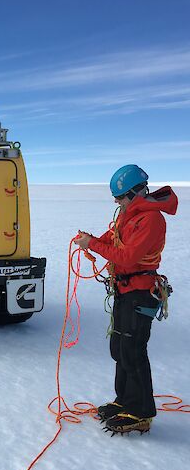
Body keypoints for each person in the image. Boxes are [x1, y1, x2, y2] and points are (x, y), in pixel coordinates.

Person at [74, 165, 177, 434]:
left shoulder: (151, 220)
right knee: (119, 349)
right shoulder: (128, 216)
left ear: (135, 192)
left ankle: (141, 412)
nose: (117, 202)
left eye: (120, 197)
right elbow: (113, 240)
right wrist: (91, 239)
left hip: (140, 292)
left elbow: (128, 257)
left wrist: (94, 246)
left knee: (133, 351)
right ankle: (125, 402)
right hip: (123, 290)